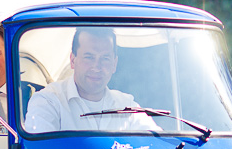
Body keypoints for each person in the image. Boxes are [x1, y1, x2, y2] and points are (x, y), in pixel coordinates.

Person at [24, 27, 159, 133]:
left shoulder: (127, 105)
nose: (97, 67)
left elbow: (157, 144)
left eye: (105, 58)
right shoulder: (48, 101)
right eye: (89, 57)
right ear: (72, 60)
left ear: (114, 64)